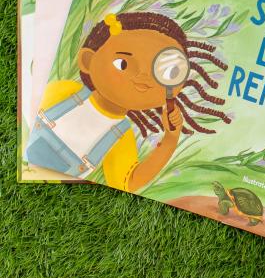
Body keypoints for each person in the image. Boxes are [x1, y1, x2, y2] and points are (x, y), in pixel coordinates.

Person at [26, 12, 231, 192]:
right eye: (122, 63)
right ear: (88, 60)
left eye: (166, 72)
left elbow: (127, 181)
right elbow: (29, 107)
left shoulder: (120, 134)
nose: (143, 77)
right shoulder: (67, 91)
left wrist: (170, 139)